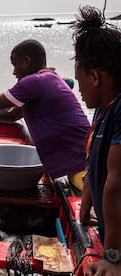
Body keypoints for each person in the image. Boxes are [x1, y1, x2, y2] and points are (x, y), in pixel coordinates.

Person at [0, 39, 90, 189]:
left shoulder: (35, 81)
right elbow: (10, 115)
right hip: (80, 161)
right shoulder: (50, 78)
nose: (14, 72)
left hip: (83, 168)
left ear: (27, 61)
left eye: (15, 65)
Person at [72, 6, 121, 275]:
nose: (78, 89)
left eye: (79, 80)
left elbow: (116, 183)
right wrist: (85, 209)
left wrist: (113, 257)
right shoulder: (102, 110)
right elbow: (92, 166)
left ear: (94, 77)